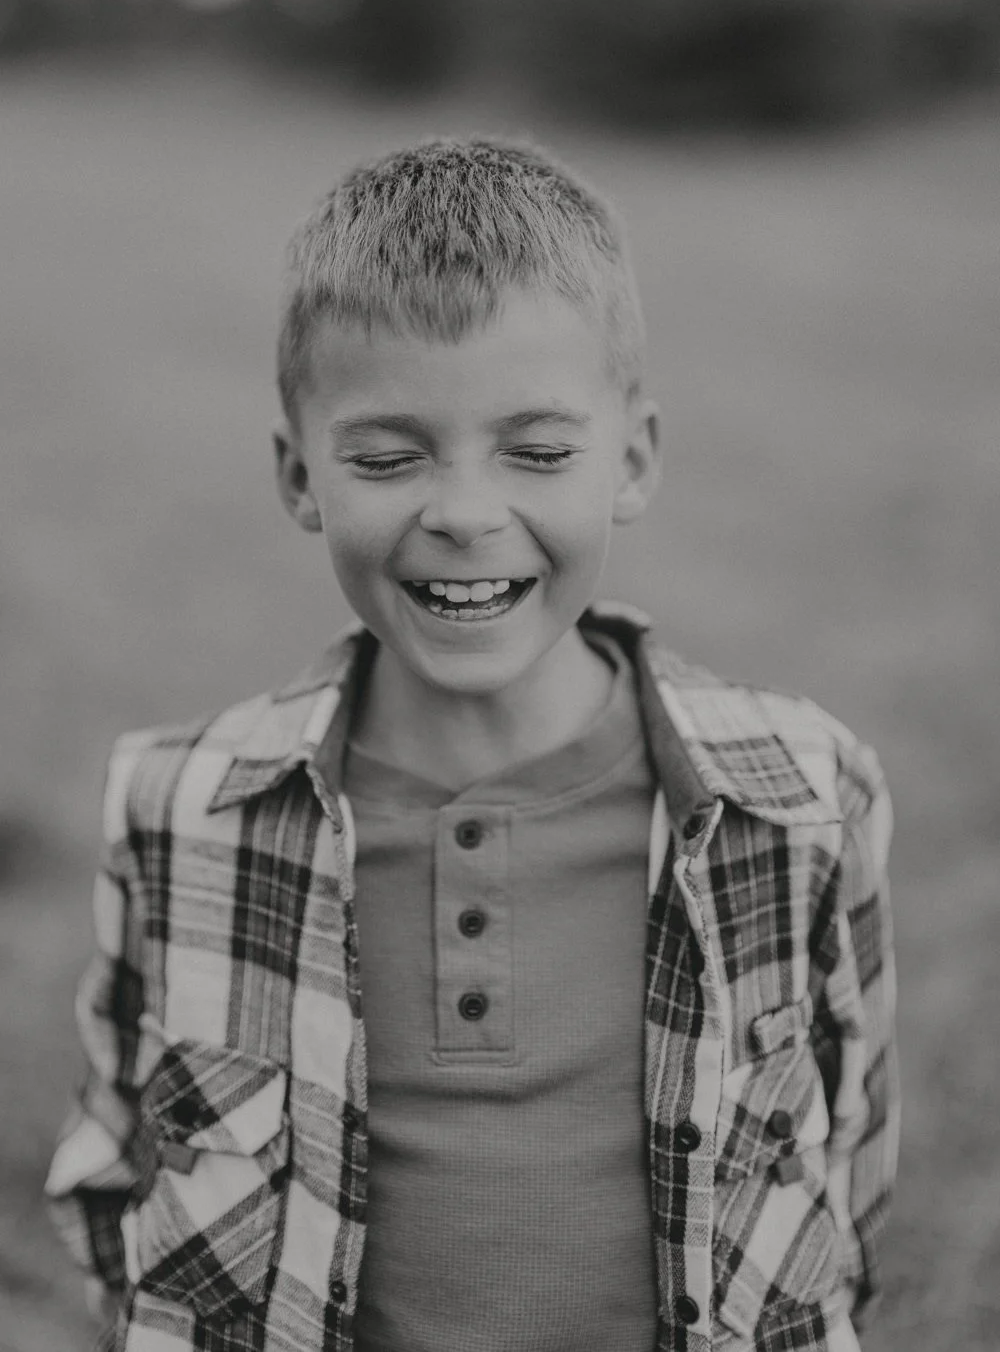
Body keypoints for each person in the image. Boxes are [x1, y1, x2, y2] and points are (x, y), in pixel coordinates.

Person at [45, 138, 899, 1352]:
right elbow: (118, 1182)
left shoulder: (804, 798)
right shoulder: (181, 812)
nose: (461, 513)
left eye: (537, 453)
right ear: (299, 477)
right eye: (387, 459)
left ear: (632, 460)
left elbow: (847, 1173)